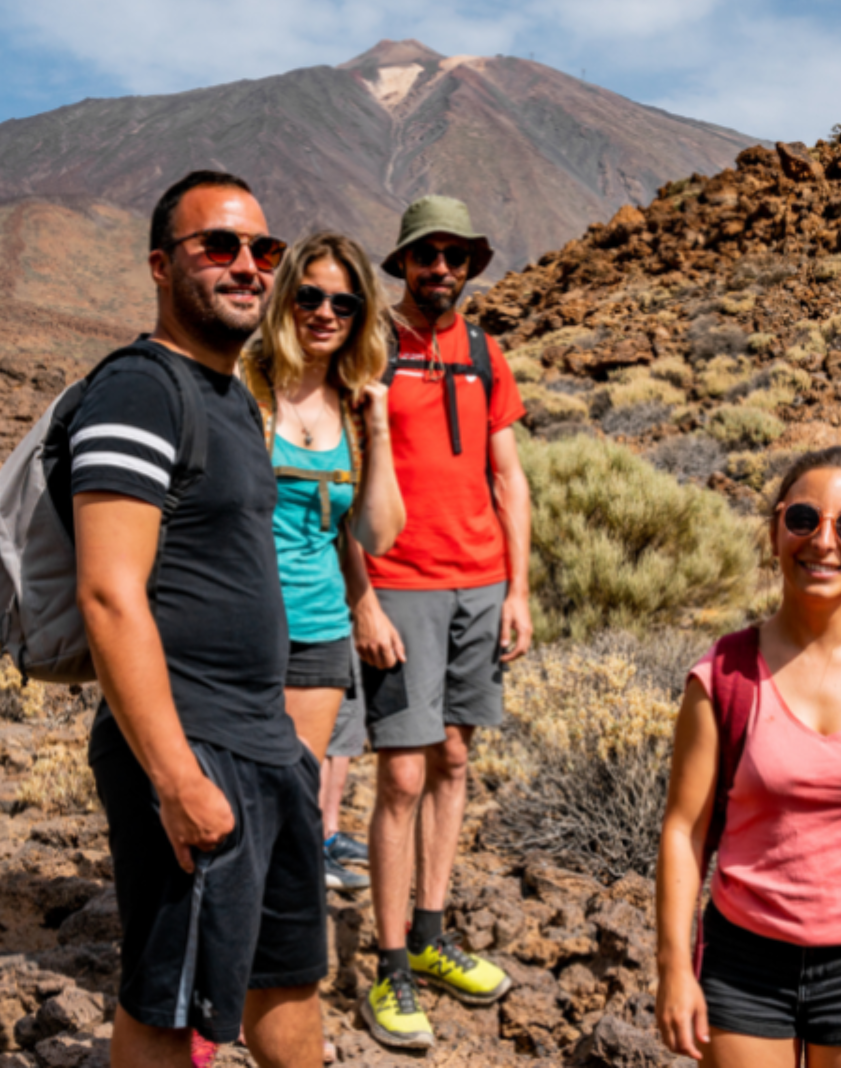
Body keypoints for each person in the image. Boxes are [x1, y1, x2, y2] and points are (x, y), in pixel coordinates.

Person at [75, 170, 324, 1068]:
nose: (248, 266)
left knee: (285, 977)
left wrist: (289, 748)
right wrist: (175, 776)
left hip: (263, 744)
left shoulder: (232, 396)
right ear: (159, 265)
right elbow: (108, 591)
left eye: (264, 250)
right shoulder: (140, 390)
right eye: (218, 247)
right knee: (172, 1001)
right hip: (190, 743)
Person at [347, 196, 531, 1050]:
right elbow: (341, 479)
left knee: (455, 758)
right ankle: (388, 969)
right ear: (404, 266)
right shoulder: (369, 349)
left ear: (470, 267)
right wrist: (363, 598)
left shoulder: (487, 352)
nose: (442, 270)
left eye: (456, 256)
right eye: (427, 256)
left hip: (480, 585)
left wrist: (518, 589)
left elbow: (509, 478)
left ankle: (429, 935)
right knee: (402, 779)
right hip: (401, 583)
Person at [657, 447, 841, 1065]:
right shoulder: (723, 674)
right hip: (744, 964)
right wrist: (673, 967)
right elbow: (683, 829)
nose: (824, 541)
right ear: (776, 531)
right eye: (804, 518)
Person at [239, 232, 404, 896]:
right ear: (285, 300)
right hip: (241, 625)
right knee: (238, 791)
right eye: (310, 295)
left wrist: (381, 428)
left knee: (293, 794)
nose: (325, 311)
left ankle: (271, 945)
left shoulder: (355, 406)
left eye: (344, 300)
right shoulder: (244, 385)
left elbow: (378, 532)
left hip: (318, 627)